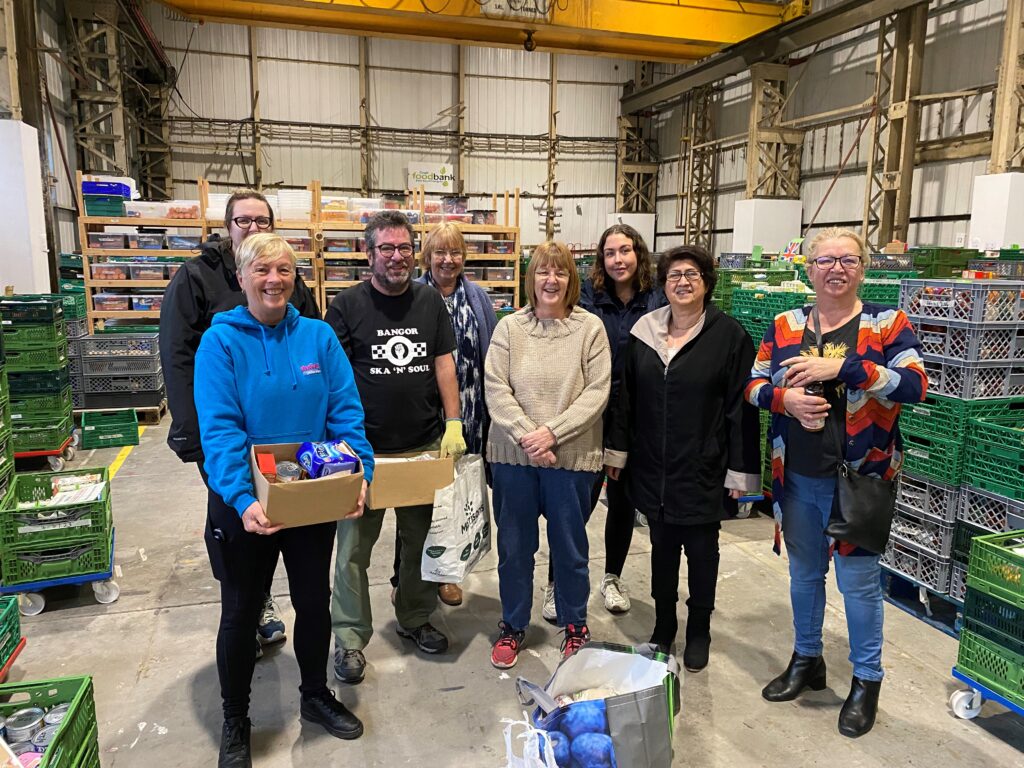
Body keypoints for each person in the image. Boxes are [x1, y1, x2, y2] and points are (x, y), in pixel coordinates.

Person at [193, 233, 374, 766]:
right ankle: (235, 718)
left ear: (296, 278)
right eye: (262, 270)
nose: (274, 280)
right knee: (241, 612)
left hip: (311, 495)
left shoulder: (318, 337)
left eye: (285, 270)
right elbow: (220, 430)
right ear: (242, 278)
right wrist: (244, 499)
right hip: (244, 503)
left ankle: (315, 695)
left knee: (313, 602)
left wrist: (358, 475)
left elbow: (346, 412)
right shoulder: (220, 343)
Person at [746, 227, 927, 738]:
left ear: (863, 268)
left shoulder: (886, 325)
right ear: (809, 270)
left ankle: (867, 680)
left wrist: (848, 368)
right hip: (797, 476)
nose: (835, 269)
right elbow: (754, 383)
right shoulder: (784, 326)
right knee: (804, 575)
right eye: (824, 260)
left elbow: (914, 384)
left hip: (861, 479)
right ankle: (808, 660)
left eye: (847, 259)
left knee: (858, 585)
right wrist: (786, 401)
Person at [161, 189, 320, 653]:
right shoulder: (195, 278)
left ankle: (262, 601)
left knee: (284, 522)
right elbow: (178, 356)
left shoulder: (290, 278)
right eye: (243, 220)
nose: (253, 227)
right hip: (226, 432)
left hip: (287, 439)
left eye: (261, 220)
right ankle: (253, 606)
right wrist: (193, 433)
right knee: (239, 525)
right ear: (227, 226)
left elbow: (310, 340)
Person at [604, 245, 760, 673]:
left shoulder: (730, 337)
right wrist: (617, 452)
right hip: (652, 464)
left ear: (707, 283)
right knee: (661, 549)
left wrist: (741, 473)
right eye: (674, 275)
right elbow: (625, 399)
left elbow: (741, 408)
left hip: (704, 465)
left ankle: (699, 630)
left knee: (703, 552)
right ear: (663, 284)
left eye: (692, 274)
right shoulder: (643, 333)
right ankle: (664, 626)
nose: (683, 282)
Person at [326, 210, 466, 686]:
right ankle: (348, 639)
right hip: (363, 452)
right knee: (352, 551)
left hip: (421, 445)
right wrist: (339, 445)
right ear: (369, 254)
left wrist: (453, 421)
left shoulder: (429, 301)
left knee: (421, 543)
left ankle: (414, 618)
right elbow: (334, 380)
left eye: (404, 247)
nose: (397, 256)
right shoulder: (345, 307)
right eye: (386, 248)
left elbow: (443, 362)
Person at [485, 241, 611, 669]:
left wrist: (551, 434)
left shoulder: (590, 329)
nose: (551, 280)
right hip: (513, 458)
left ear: (571, 280)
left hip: (570, 459)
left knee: (570, 549)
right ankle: (513, 625)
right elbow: (495, 389)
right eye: (542, 272)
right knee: (515, 548)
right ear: (531, 279)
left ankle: (576, 625)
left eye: (560, 272)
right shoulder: (509, 329)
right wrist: (527, 436)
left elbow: (597, 392)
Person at [386, 222, 499, 607]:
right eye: (440, 253)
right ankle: (407, 574)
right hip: (427, 418)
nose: (448, 260)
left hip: (471, 416)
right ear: (427, 257)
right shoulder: (413, 295)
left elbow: (492, 356)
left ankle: (446, 573)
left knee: (457, 500)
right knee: (419, 502)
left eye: (455, 253)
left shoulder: (478, 298)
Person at [576, 224, 663, 618]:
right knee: (575, 502)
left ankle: (612, 576)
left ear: (638, 254)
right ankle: (559, 578)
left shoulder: (656, 299)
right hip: (590, 411)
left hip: (636, 415)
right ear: (601, 260)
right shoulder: (587, 299)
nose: (618, 260)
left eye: (625, 251)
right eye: (610, 253)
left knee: (622, 502)